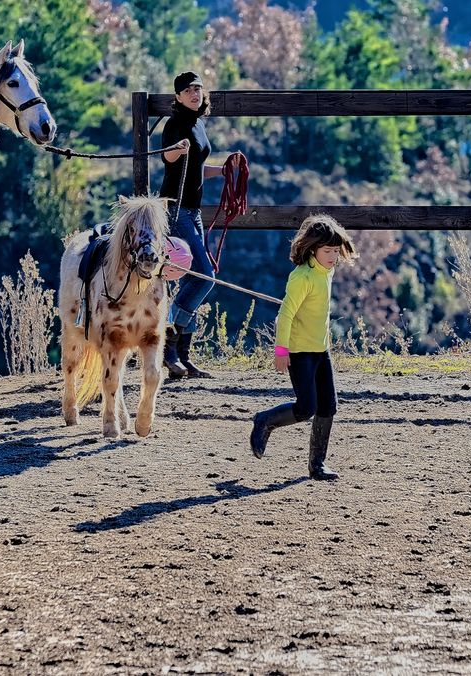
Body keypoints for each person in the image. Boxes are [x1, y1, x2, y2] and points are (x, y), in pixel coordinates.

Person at [250, 215, 358, 480]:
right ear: (312, 249)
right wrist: (281, 351)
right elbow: (285, 315)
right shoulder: (302, 277)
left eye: (335, 251)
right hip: (299, 352)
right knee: (306, 407)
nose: (333, 256)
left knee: (328, 407)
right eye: (327, 251)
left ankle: (317, 464)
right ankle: (265, 420)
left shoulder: (327, 271)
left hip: (321, 350)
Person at [159, 70, 230, 378]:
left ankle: (182, 357)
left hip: (193, 211)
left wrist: (225, 170)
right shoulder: (175, 124)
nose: (194, 93)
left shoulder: (199, 124)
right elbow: (167, 158)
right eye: (187, 90)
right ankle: (168, 345)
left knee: (192, 279)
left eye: (197, 89)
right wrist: (179, 148)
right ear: (177, 97)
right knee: (205, 276)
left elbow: (198, 169)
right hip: (175, 210)